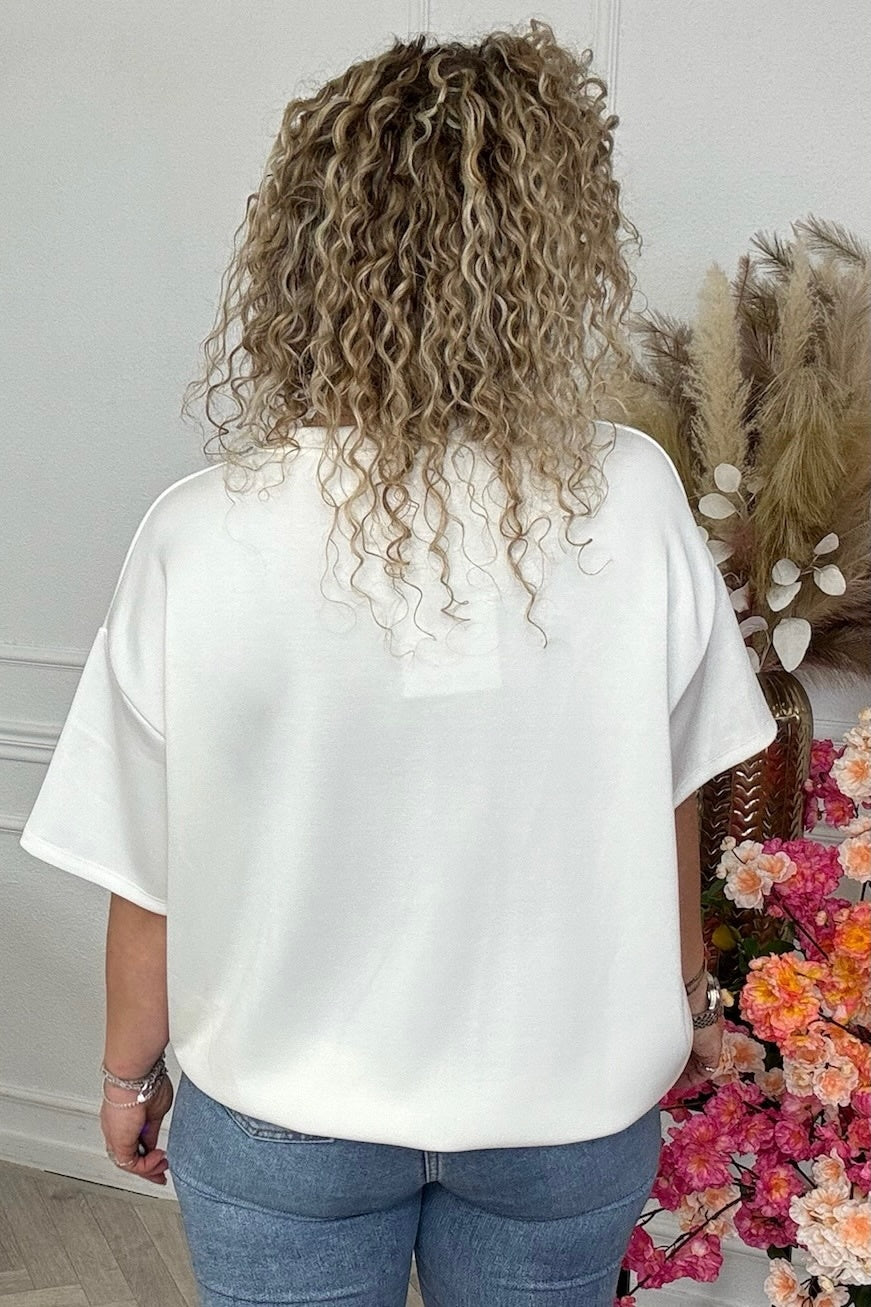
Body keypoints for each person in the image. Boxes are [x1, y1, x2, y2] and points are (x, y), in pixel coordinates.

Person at [18, 20, 777, 1307]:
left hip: (284, 1120)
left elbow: (148, 867)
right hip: (566, 1111)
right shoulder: (634, 494)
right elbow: (673, 792)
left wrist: (124, 1073)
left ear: (304, 254)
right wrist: (690, 996)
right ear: (553, 255)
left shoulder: (200, 531)